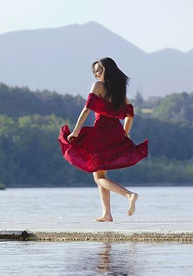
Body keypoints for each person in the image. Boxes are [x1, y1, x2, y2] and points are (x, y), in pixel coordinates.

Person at [58, 57, 148, 222]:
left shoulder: (98, 86)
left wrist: (76, 131)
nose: (96, 75)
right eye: (94, 72)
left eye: (98, 71)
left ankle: (129, 195)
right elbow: (129, 115)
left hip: (101, 134)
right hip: (115, 133)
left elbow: (86, 109)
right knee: (100, 173)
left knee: (98, 177)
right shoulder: (119, 91)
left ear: (107, 70)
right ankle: (107, 214)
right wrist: (125, 134)